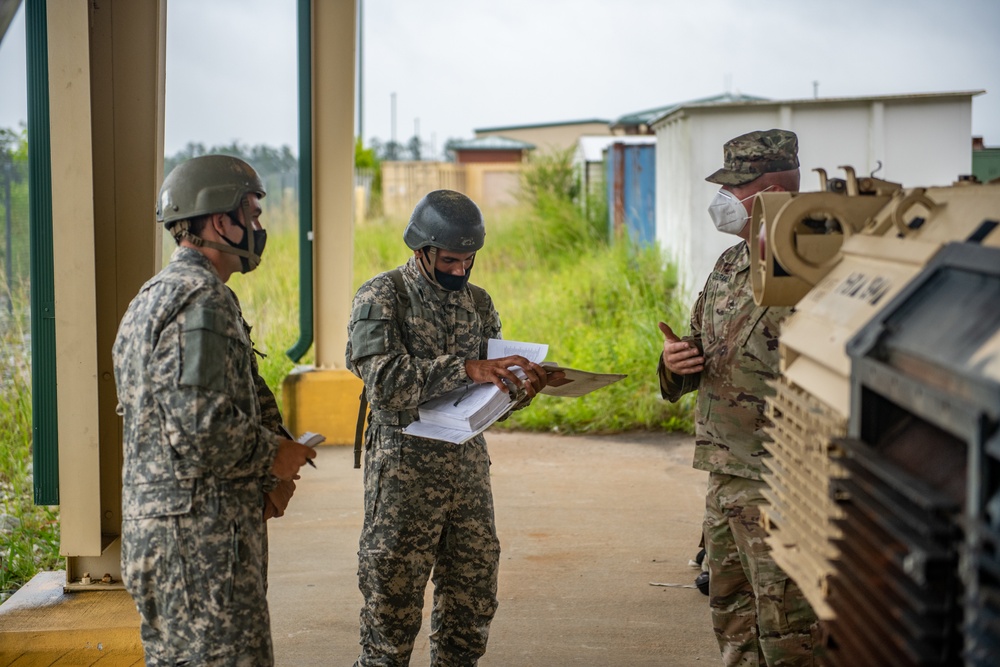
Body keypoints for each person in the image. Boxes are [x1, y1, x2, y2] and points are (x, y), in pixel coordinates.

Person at [112, 154, 316, 666]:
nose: (258, 226)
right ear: (218, 220)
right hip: (199, 549)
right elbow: (201, 427)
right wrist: (275, 455)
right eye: (251, 211)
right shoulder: (202, 299)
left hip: (169, 539)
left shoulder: (151, 298)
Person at [346, 189, 555, 666]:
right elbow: (382, 382)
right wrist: (467, 368)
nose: (460, 271)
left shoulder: (477, 302)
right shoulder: (382, 297)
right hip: (403, 473)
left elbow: (488, 387)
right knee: (390, 611)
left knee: (473, 597)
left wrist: (517, 388)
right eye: (450, 260)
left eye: (468, 261)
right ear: (421, 249)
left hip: (466, 473)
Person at [657, 129, 819, 666]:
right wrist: (674, 363)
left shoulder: (819, 268)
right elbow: (696, 345)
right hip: (726, 472)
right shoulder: (729, 265)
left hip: (786, 480)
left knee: (790, 629)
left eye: (734, 185)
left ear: (770, 190)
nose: (722, 199)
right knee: (734, 618)